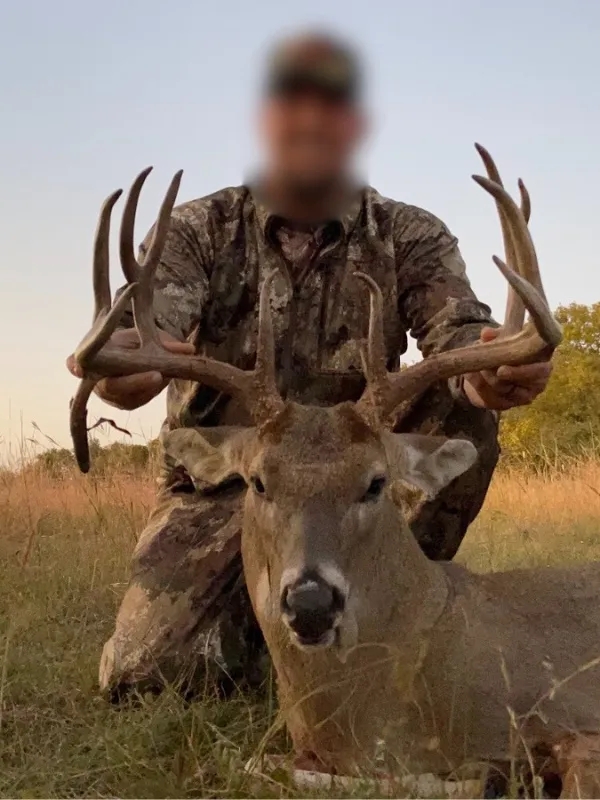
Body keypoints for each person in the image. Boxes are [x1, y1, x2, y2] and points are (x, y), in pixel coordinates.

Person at [67, 30, 552, 700]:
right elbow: (137, 342)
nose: (312, 118)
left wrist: (491, 369)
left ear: (355, 124)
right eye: (295, 100)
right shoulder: (196, 230)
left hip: (354, 485)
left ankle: (391, 617)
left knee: (462, 404)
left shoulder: (408, 233)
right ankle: (288, 629)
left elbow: (459, 335)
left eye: (332, 103)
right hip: (231, 484)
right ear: (267, 120)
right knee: (150, 679)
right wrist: (124, 371)